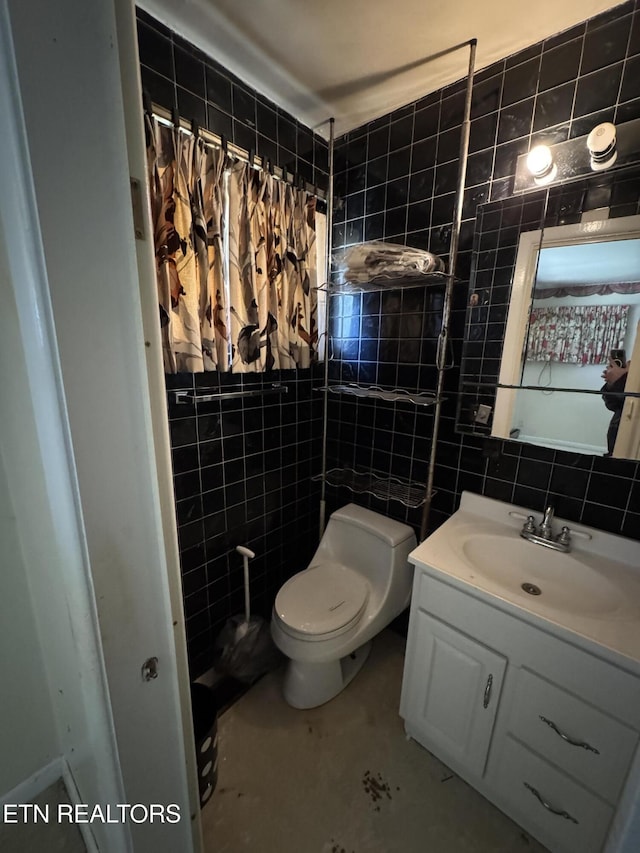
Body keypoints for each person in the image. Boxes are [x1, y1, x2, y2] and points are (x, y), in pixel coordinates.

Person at [601, 361, 629, 455]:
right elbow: (612, 405)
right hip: (615, 447)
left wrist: (621, 378)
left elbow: (628, 400)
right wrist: (611, 384)